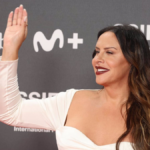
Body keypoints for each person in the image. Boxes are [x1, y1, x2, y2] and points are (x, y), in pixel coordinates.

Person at [0, 4, 150, 150]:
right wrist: (10, 47)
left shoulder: (147, 111)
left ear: (133, 60)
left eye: (109, 52)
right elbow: (11, 112)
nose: (98, 59)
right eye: (97, 52)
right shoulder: (70, 101)